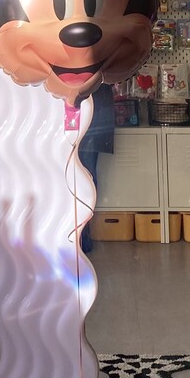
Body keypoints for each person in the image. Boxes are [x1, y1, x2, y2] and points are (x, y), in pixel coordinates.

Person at [78, 84, 115, 254]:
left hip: (93, 116)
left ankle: (82, 234)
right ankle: (80, 234)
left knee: (86, 177)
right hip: (84, 112)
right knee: (84, 176)